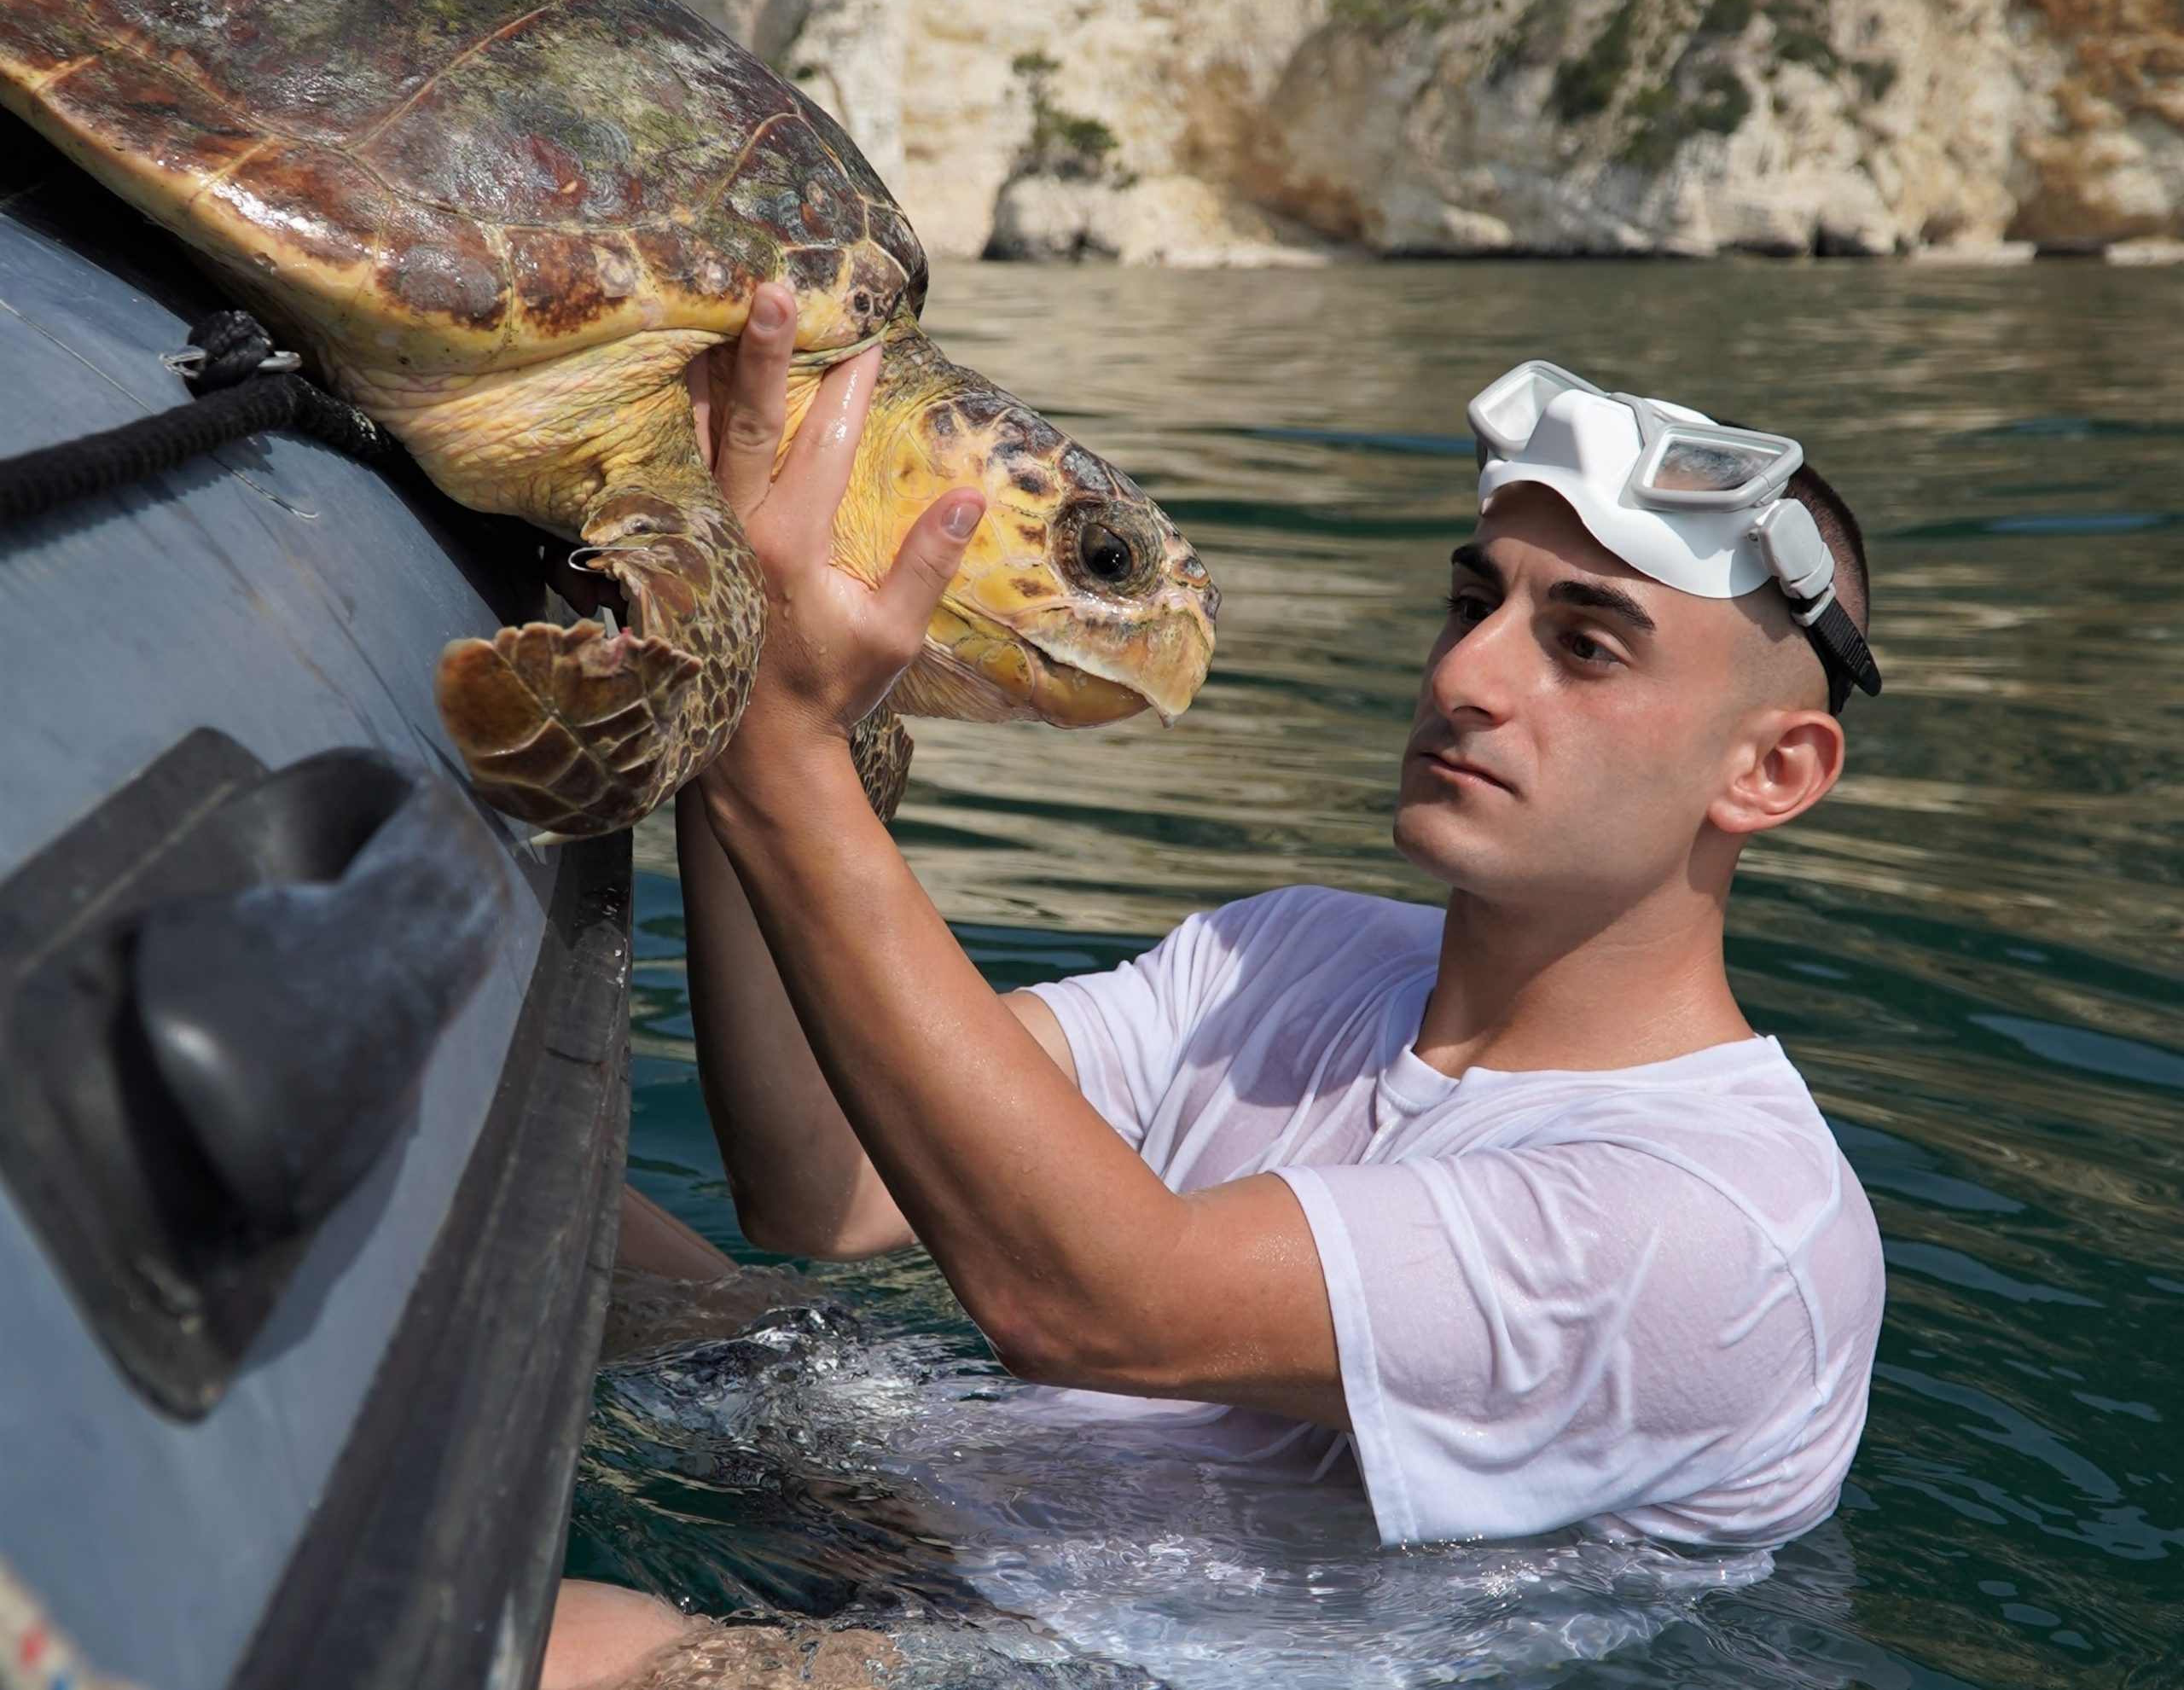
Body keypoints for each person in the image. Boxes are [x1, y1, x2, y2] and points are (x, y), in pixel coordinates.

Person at [543, 302, 1887, 1687]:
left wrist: (788, 746)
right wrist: (743, 647)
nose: (1465, 673)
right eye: (1473, 602)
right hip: (939, 1513)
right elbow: (824, 1179)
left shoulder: (1734, 1231)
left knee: (557, 1641)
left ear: (1772, 772)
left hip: (1088, 1668)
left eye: (1587, 645)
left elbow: (1096, 1304)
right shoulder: (1298, 954)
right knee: (526, 1190)